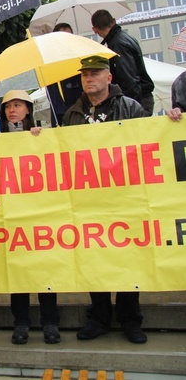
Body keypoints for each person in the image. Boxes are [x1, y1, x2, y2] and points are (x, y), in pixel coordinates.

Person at [61, 56, 149, 344]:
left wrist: (171, 119)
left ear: (109, 77)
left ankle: (130, 319)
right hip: (88, 200)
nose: (89, 78)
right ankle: (98, 317)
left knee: (126, 257)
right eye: (85, 74)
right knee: (93, 257)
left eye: (95, 73)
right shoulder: (72, 114)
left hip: (124, 197)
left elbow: (149, 143)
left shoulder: (131, 108)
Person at [0, 90, 61, 345]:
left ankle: (50, 323)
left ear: (28, 109)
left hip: (41, 214)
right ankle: (21, 322)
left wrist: (39, 140)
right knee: (19, 272)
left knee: (46, 270)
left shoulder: (42, 135)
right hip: (14, 214)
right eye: (7, 107)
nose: (12, 110)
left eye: (17, 105)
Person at [91, 9, 155, 115]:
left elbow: (128, 79)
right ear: (114, 21)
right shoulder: (126, 38)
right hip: (142, 98)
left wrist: (127, 106)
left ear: (94, 29)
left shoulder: (117, 45)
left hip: (135, 101)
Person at [46, 23, 83, 126]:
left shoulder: (80, 59)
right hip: (63, 119)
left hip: (82, 114)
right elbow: (54, 98)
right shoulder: (50, 63)